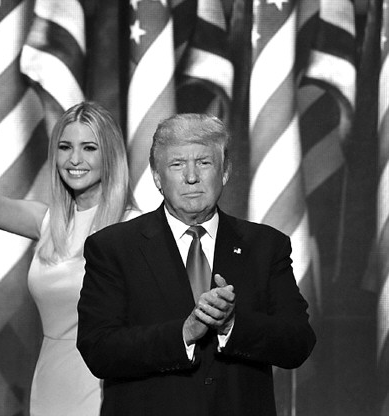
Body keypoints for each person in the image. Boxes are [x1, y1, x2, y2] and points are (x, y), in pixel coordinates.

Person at [77, 113, 316, 416]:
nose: (191, 177)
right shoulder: (113, 248)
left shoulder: (266, 246)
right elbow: (99, 349)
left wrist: (231, 325)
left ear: (225, 172)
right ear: (157, 177)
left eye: (204, 162)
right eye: (177, 165)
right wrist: (184, 333)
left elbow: (298, 342)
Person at [0, 60, 137, 416]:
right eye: (65, 147)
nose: (75, 159)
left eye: (89, 148)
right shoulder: (47, 221)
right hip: (50, 384)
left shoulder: (135, 228)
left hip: (108, 387)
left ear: (110, 155)